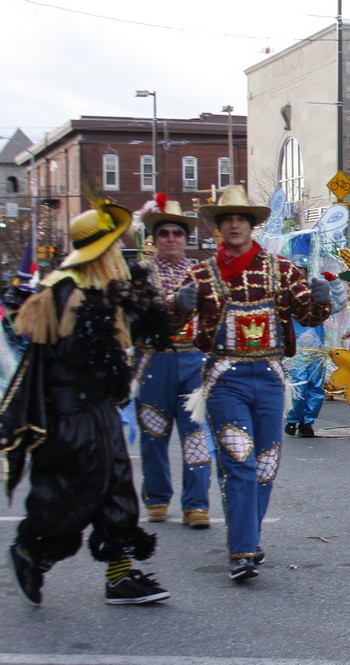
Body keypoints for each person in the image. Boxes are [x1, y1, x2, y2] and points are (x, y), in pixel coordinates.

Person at [2, 198, 170, 605]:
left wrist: (152, 311)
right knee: (71, 493)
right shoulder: (65, 291)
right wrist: (124, 314)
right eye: (112, 247)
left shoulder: (98, 290)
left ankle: (120, 575)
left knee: (117, 489)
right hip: (68, 413)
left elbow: (142, 340)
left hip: (97, 408)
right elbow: (80, 353)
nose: (118, 254)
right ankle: (31, 550)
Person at [175, 185, 333, 581]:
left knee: (265, 465)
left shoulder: (280, 269)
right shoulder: (201, 276)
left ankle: (249, 536)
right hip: (224, 379)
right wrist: (175, 307)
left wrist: (322, 297)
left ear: (251, 225)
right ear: (218, 226)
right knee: (239, 458)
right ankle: (242, 551)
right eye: (227, 219)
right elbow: (171, 326)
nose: (233, 225)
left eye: (240, 219)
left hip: (268, 378)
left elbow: (310, 315)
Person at [134, 196, 214, 529]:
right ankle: (156, 497)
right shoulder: (140, 275)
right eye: (164, 232)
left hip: (193, 362)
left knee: (195, 435)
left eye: (177, 233)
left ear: (185, 238)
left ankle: (196, 503)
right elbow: (133, 318)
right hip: (153, 362)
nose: (170, 238)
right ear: (154, 238)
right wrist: (168, 304)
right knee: (153, 435)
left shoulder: (201, 275)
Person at [285, 265, 344, 437]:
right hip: (296, 352)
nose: (300, 271)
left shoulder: (319, 300)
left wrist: (334, 282)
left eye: (302, 268)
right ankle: (292, 420)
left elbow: (339, 304)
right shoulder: (288, 300)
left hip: (317, 352)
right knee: (298, 386)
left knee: (316, 388)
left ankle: (307, 423)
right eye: (296, 268)